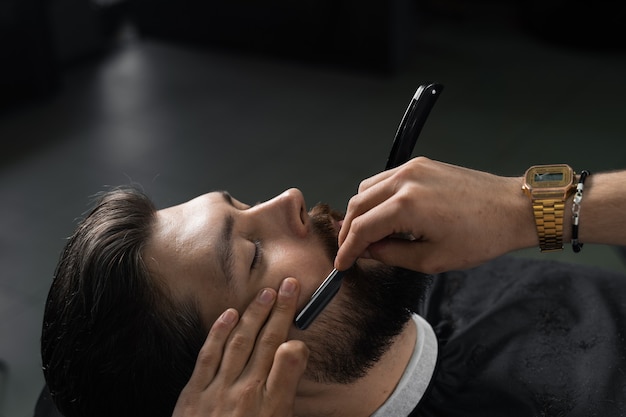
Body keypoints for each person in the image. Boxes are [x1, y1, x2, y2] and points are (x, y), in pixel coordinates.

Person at [40, 157, 626, 417]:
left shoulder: (444, 255)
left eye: (243, 204)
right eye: (251, 254)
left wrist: (537, 208)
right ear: (237, 379)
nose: (289, 199)